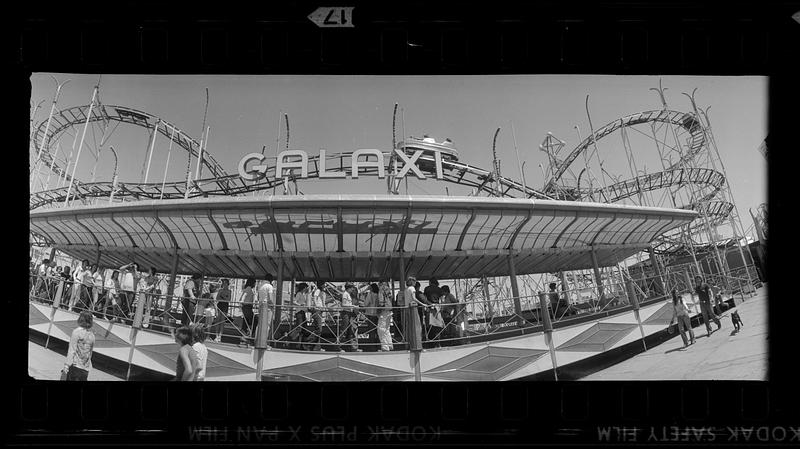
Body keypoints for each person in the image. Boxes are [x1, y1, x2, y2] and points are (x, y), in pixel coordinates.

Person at [62, 311, 96, 381]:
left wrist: (66, 365)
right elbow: (90, 353)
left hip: (75, 366)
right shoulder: (92, 335)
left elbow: (72, 350)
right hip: (85, 369)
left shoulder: (76, 332)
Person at [338, 283, 361, 352]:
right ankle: (338, 346)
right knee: (344, 330)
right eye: (352, 288)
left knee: (349, 330)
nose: (353, 289)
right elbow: (344, 304)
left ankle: (349, 347)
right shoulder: (345, 294)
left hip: (349, 313)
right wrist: (353, 306)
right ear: (349, 288)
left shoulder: (347, 294)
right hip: (346, 313)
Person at [256, 273, 276, 347]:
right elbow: (270, 299)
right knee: (267, 325)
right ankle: (264, 342)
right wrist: (273, 305)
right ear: (271, 280)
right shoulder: (269, 286)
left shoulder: (260, 285)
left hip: (261, 305)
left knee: (259, 324)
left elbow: (258, 297)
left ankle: (257, 340)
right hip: (267, 306)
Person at [308, 282, 327, 351]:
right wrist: (317, 306)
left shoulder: (321, 292)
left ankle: (316, 347)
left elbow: (321, 301)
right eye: (324, 284)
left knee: (318, 328)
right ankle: (309, 342)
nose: (325, 285)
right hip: (317, 310)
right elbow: (315, 298)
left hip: (319, 310)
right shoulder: (318, 291)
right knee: (319, 328)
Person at [376, 281, 394, 351]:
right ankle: (390, 345)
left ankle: (385, 347)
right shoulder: (388, 290)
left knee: (381, 329)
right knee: (387, 329)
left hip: (384, 311)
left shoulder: (381, 289)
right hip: (389, 310)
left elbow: (381, 302)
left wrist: (378, 311)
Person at [240, 277, 256, 345]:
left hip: (247, 307)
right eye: (254, 283)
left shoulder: (248, 288)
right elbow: (244, 296)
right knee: (254, 321)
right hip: (247, 307)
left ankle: (244, 337)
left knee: (245, 321)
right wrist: (242, 302)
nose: (255, 284)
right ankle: (249, 336)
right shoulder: (249, 288)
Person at [363, 283, 380, 349]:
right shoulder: (378, 294)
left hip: (370, 313)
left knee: (371, 331)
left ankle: (372, 346)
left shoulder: (370, 294)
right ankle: (378, 345)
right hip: (377, 314)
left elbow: (366, 303)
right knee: (377, 330)